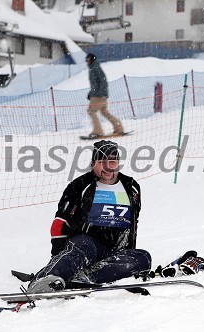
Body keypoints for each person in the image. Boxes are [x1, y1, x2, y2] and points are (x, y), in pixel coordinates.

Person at [28, 140, 151, 293]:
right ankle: (47, 279)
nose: (107, 167)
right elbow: (60, 224)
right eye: (102, 162)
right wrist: (56, 257)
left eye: (112, 162)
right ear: (93, 163)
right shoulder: (79, 186)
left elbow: (133, 224)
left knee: (143, 258)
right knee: (85, 247)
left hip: (113, 253)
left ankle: (83, 277)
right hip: (84, 245)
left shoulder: (131, 187)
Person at [85, 53, 125, 138]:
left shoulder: (95, 68)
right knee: (104, 112)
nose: (87, 62)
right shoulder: (95, 68)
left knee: (91, 111)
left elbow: (103, 82)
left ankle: (97, 131)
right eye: (86, 60)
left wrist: (99, 93)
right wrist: (91, 93)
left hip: (98, 96)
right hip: (100, 95)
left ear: (92, 60)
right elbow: (96, 84)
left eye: (88, 60)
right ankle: (119, 128)